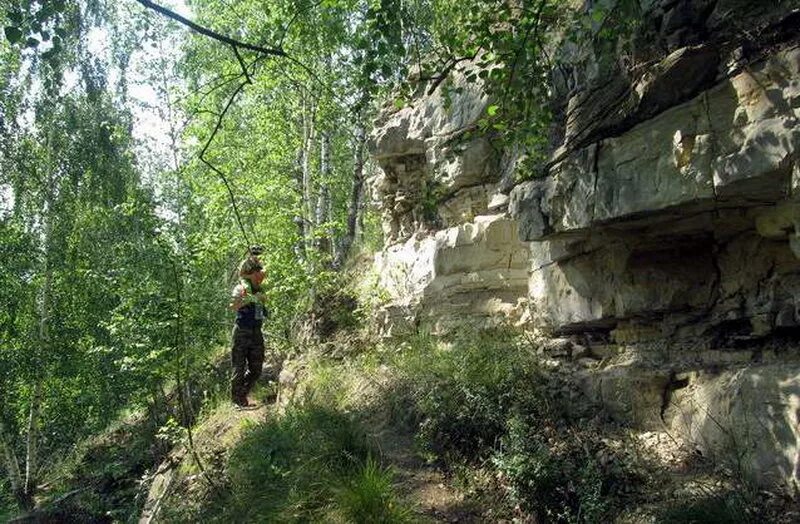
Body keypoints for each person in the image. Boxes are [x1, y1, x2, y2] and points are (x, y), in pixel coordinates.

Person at [229, 257, 268, 407]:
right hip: (242, 331)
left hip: (256, 332)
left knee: (256, 369)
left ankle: (242, 393)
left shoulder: (260, 289)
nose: (260, 276)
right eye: (257, 273)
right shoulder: (241, 288)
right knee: (238, 368)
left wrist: (260, 299)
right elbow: (232, 305)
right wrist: (250, 299)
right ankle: (237, 401)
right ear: (251, 274)